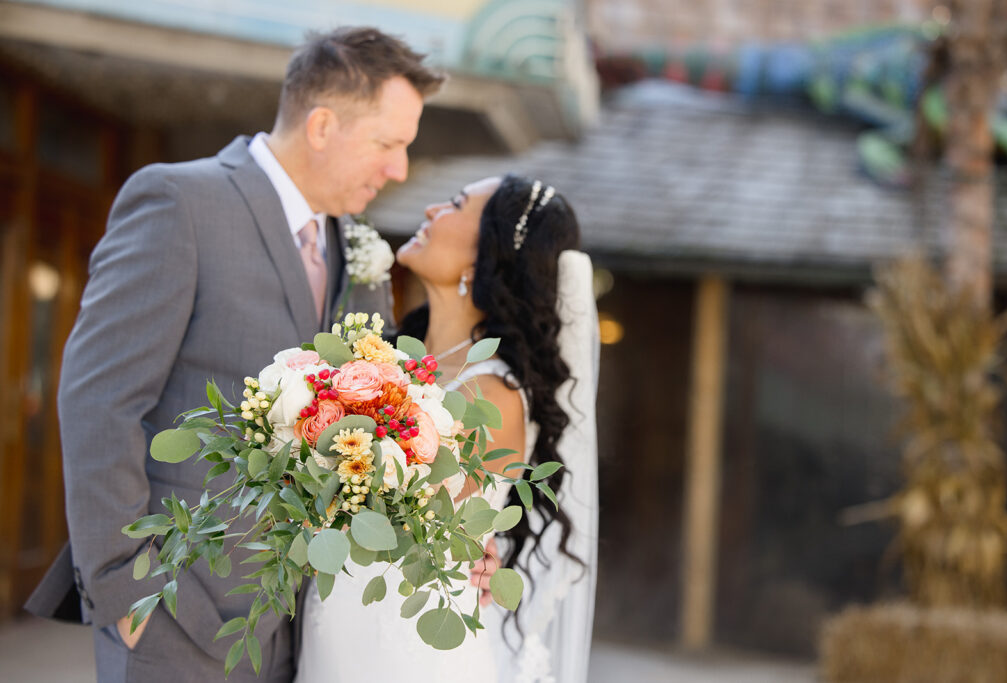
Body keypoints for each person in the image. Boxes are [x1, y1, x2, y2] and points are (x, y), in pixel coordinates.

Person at [25, 27, 444, 682]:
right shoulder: (179, 202)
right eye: (389, 144)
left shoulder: (358, 248)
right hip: (178, 612)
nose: (399, 169)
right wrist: (127, 581)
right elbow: (99, 400)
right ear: (323, 124)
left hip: (309, 624)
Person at [295, 175, 600, 683]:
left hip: (408, 644)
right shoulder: (388, 358)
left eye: (457, 204)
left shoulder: (492, 396)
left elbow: (375, 505)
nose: (434, 208)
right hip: (341, 626)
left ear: (482, 259)